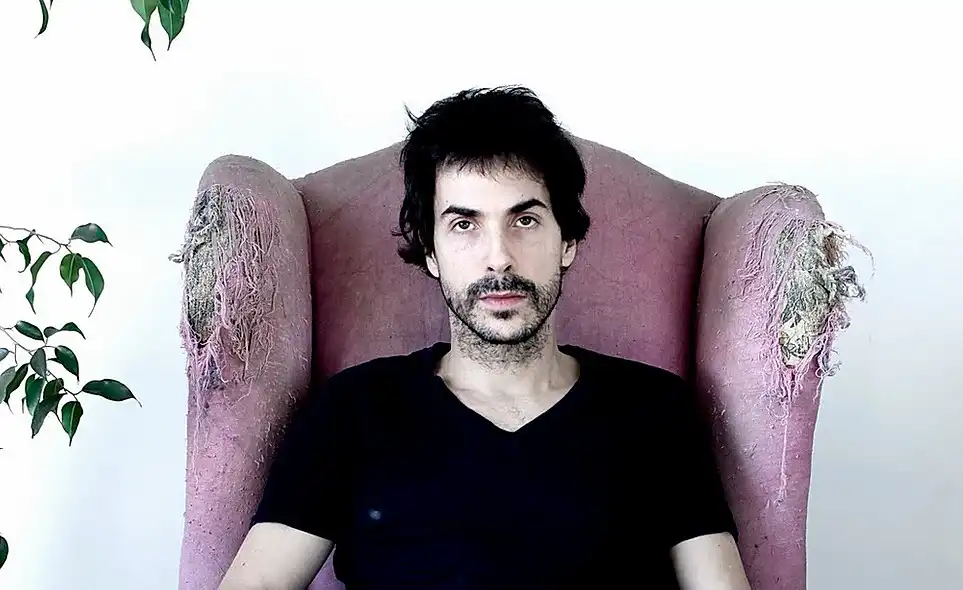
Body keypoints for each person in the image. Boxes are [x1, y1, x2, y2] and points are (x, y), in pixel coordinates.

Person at [219, 86, 751, 590]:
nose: (499, 257)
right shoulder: (354, 410)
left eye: (525, 220)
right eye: (464, 224)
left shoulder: (654, 410)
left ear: (567, 241)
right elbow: (258, 581)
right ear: (431, 252)